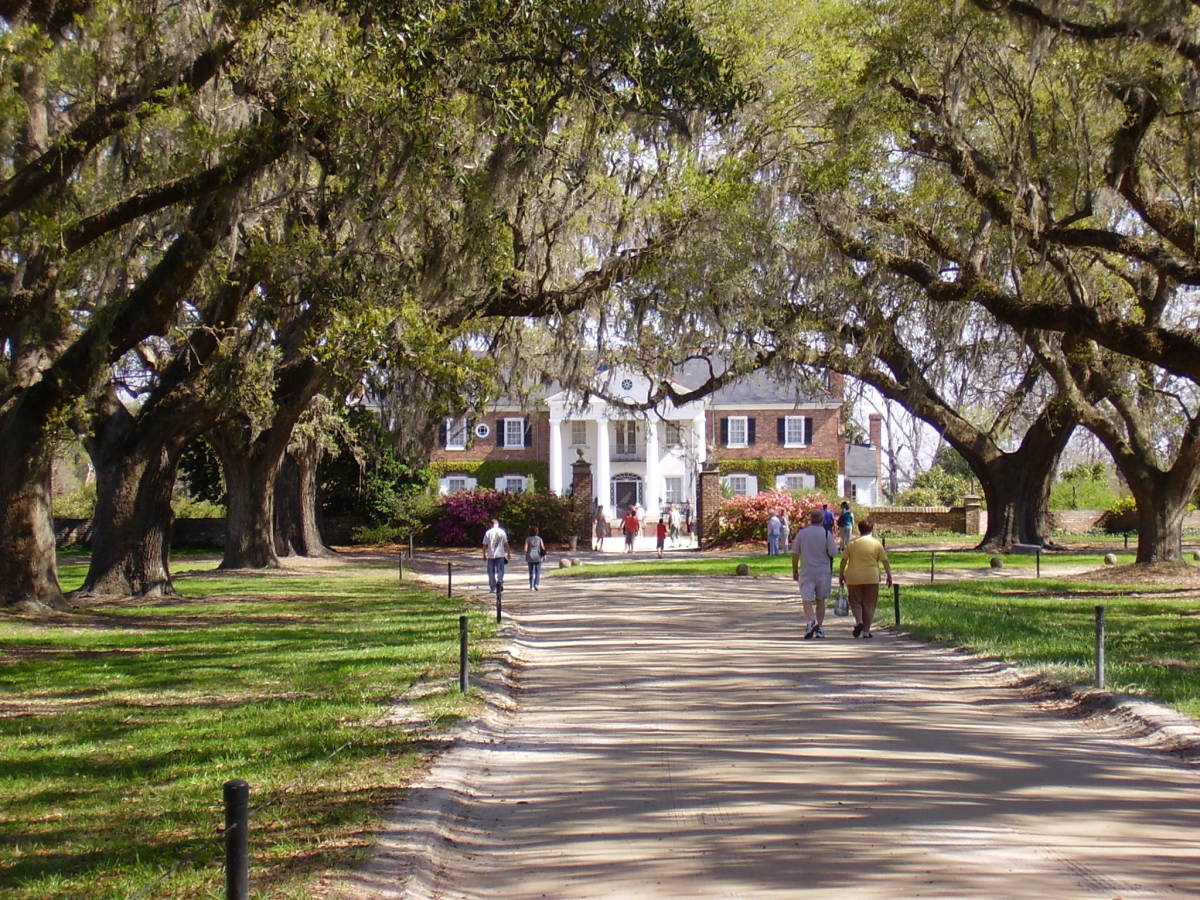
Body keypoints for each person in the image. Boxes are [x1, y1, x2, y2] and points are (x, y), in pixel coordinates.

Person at [838, 519, 892, 639]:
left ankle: (859, 622)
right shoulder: (876, 544)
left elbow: (843, 561)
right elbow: (885, 561)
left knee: (855, 601)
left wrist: (841, 575)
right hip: (871, 576)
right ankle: (866, 631)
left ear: (859, 529)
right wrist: (889, 575)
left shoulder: (852, 544)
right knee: (869, 603)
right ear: (871, 529)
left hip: (853, 576)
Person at [792, 508, 838, 639]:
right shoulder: (825, 533)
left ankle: (810, 620)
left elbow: (795, 553)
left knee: (806, 599)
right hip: (823, 571)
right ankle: (820, 626)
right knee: (820, 600)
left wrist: (795, 570)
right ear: (822, 520)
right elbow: (833, 552)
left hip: (807, 571)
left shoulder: (802, 534)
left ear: (810, 520)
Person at [482, 518, 510, 593]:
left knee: (491, 571)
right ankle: (499, 580)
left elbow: (484, 544)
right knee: (500, 570)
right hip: (500, 554)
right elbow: (506, 543)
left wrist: (484, 554)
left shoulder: (488, 532)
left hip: (491, 555)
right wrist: (508, 552)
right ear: (498, 524)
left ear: (491, 524)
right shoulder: (502, 532)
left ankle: (493, 588)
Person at [524, 525, 546, 591]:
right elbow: (543, 548)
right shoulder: (539, 539)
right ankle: (536, 584)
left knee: (531, 572)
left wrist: (526, 554)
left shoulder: (527, 539)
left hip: (530, 557)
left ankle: (531, 585)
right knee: (537, 571)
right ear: (537, 532)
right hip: (538, 556)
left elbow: (525, 549)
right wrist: (544, 555)